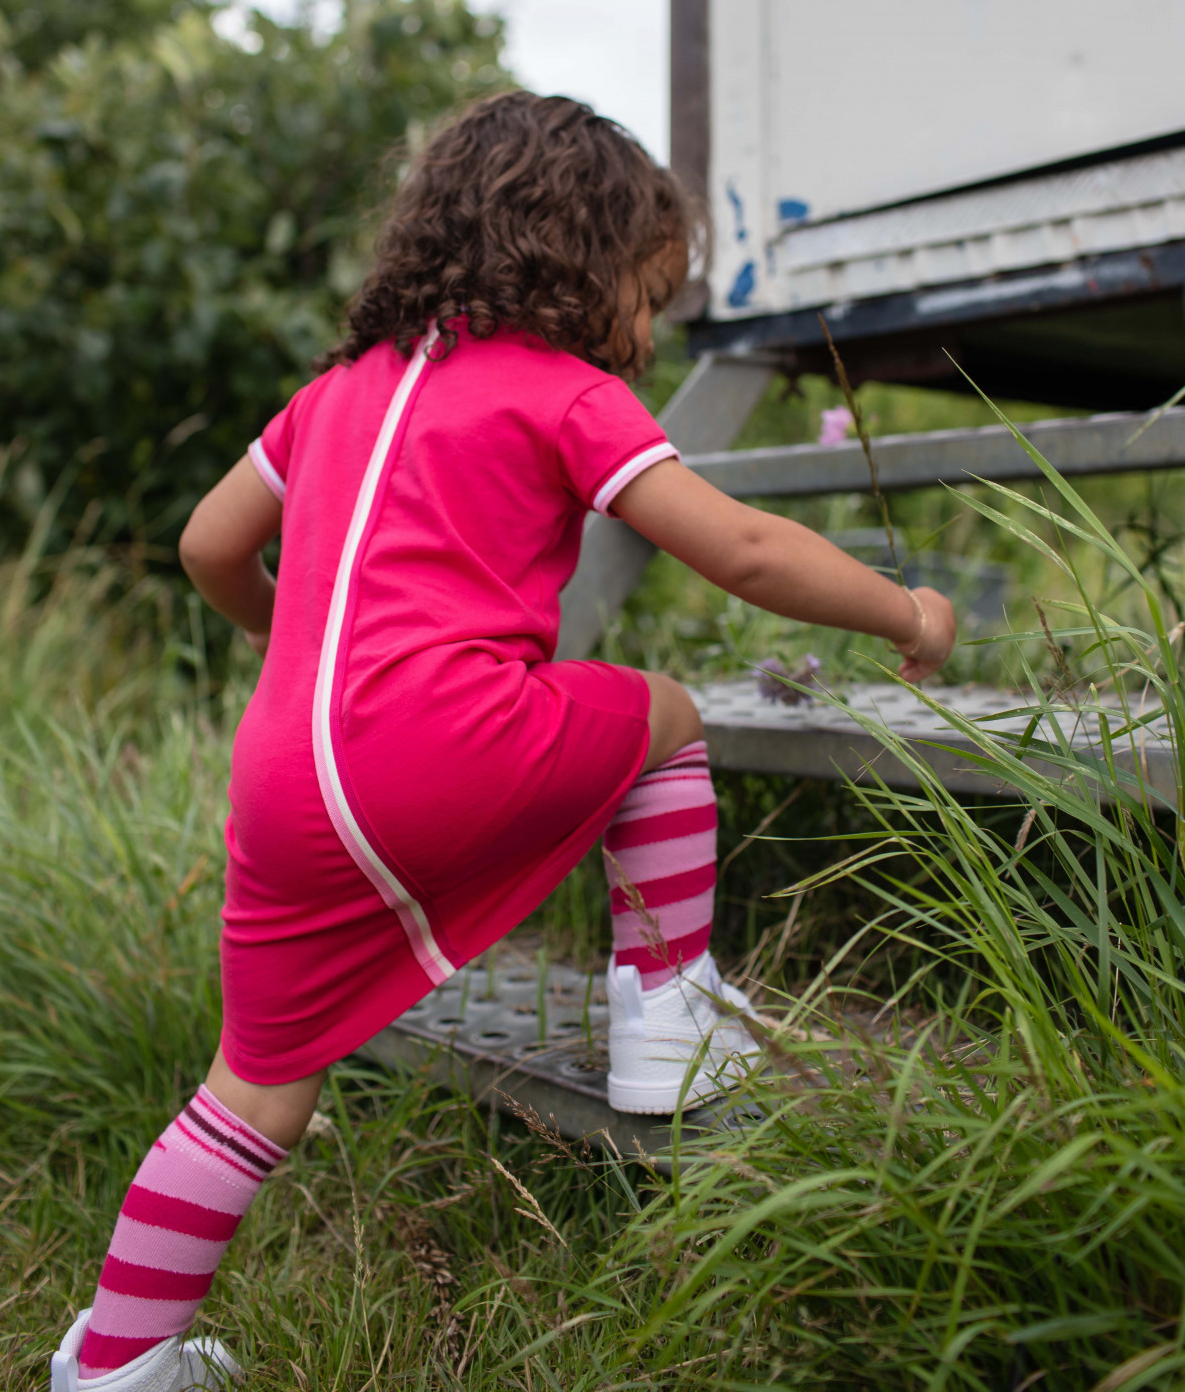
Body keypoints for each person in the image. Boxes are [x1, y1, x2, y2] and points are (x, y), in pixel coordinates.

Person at [51, 91, 955, 1389]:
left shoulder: (333, 395)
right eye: (646, 295)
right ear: (578, 263)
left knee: (253, 1085)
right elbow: (745, 548)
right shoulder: (561, 393)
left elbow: (209, 544)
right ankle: (667, 1016)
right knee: (664, 716)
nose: (647, 333)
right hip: (439, 749)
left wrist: (293, 644)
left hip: (284, 783)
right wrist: (905, 610)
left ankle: (116, 1361)